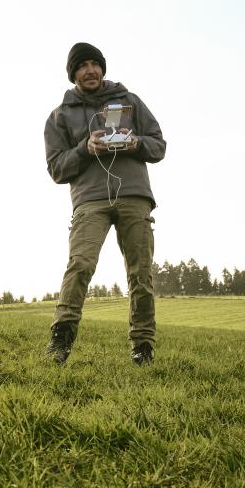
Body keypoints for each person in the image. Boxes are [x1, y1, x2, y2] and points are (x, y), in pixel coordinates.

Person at [44, 42, 167, 366]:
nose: (90, 70)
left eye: (94, 64)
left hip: (134, 196)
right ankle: (61, 340)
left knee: (140, 273)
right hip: (90, 201)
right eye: (82, 66)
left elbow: (159, 146)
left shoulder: (130, 101)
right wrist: (85, 148)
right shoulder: (60, 116)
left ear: (102, 68)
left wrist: (135, 142)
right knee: (81, 264)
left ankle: (143, 348)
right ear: (73, 74)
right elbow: (56, 169)